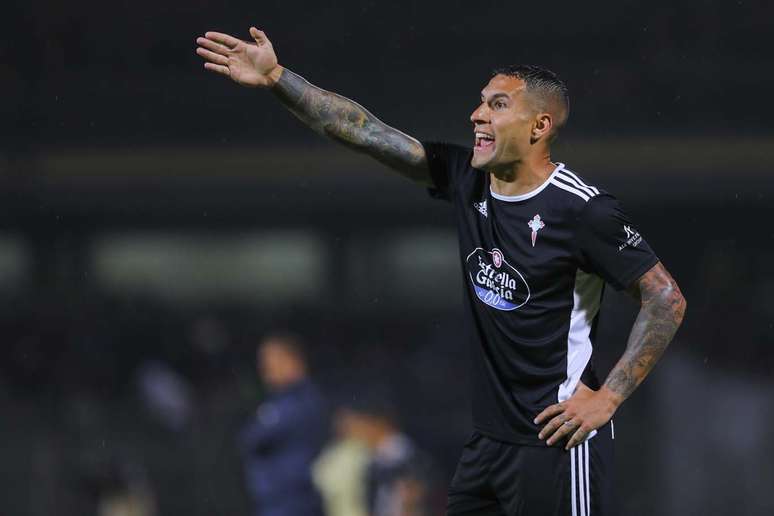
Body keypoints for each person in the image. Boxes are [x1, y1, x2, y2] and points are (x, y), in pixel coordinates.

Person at [197, 28, 687, 515]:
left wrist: (609, 399)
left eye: (497, 105)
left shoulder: (582, 210)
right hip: (487, 447)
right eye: (480, 102)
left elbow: (665, 298)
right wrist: (280, 78)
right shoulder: (467, 180)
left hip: (556, 444)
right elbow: (365, 131)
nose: (477, 114)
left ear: (539, 126)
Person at [238, 332, 328, 516]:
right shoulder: (282, 400)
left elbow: (252, 437)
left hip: (292, 504)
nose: (265, 369)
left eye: (270, 361)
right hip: (282, 503)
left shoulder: (297, 401)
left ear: (291, 359)